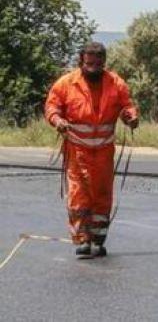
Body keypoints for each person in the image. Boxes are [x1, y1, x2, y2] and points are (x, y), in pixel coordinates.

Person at [44, 42, 138, 258]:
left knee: (102, 194)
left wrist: (131, 117)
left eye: (98, 63)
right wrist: (57, 120)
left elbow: (126, 106)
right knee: (79, 195)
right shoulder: (66, 83)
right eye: (89, 63)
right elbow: (52, 107)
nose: (94, 67)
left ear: (104, 62)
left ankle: (98, 240)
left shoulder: (116, 83)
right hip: (77, 151)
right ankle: (83, 239)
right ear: (81, 61)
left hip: (104, 152)